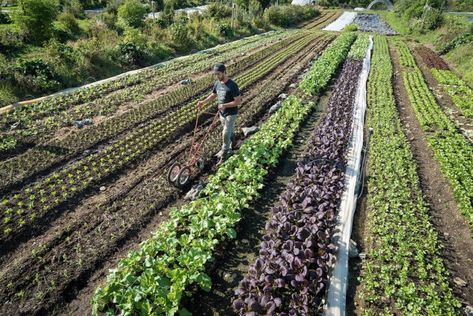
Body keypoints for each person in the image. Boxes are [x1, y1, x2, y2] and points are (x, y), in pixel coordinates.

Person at [197, 63, 242, 164]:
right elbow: (213, 95)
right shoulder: (217, 83)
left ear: (224, 72)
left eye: (219, 74)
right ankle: (233, 142)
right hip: (222, 113)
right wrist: (203, 102)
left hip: (231, 113)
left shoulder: (232, 85)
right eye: (215, 74)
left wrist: (225, 105)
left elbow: (238, 101)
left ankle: (224, 153)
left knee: (225, 132)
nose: (217, 76)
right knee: (228, 130)